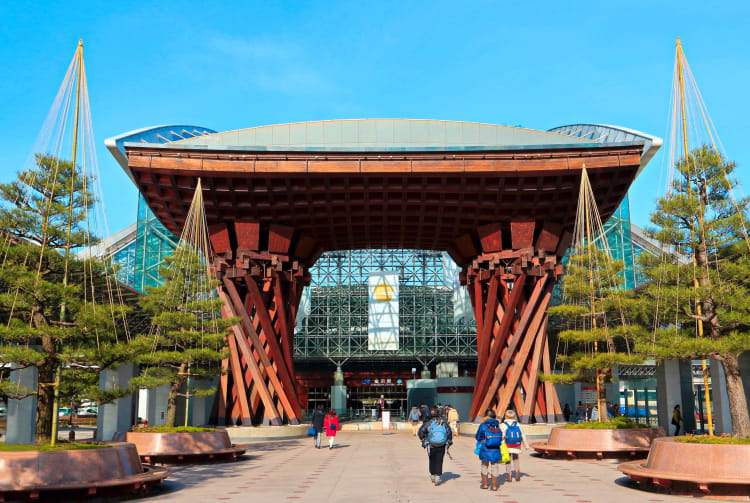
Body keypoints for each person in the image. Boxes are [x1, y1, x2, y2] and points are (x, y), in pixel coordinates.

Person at [418, 406, 453, 486]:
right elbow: (449, 433)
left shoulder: (428, 423)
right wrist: (448, 441)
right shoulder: (443, 423)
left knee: (432, 459)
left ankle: (433, 475)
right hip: (442, 444)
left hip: (431, 445)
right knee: (439, 460)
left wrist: (424, 440)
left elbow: (420, 432)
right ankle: (437, 476)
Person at [475, 409, 503, 490]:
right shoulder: (497, 425)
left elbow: (477, 437)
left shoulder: (482, 426)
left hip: (485, 448)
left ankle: (484, 484)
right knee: (495, 466)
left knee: (484, 465)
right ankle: (494, 486)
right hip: (496, 449)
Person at [500, 409, 530, 482]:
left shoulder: (503, 425)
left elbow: (502, 436)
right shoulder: (518, 424)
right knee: (516, 459)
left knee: (508, 460)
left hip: (507, 445)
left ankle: (509, 476)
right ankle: (517, 474)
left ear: (505, 416)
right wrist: (526, 446)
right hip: (516, 445)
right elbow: (522, 435)